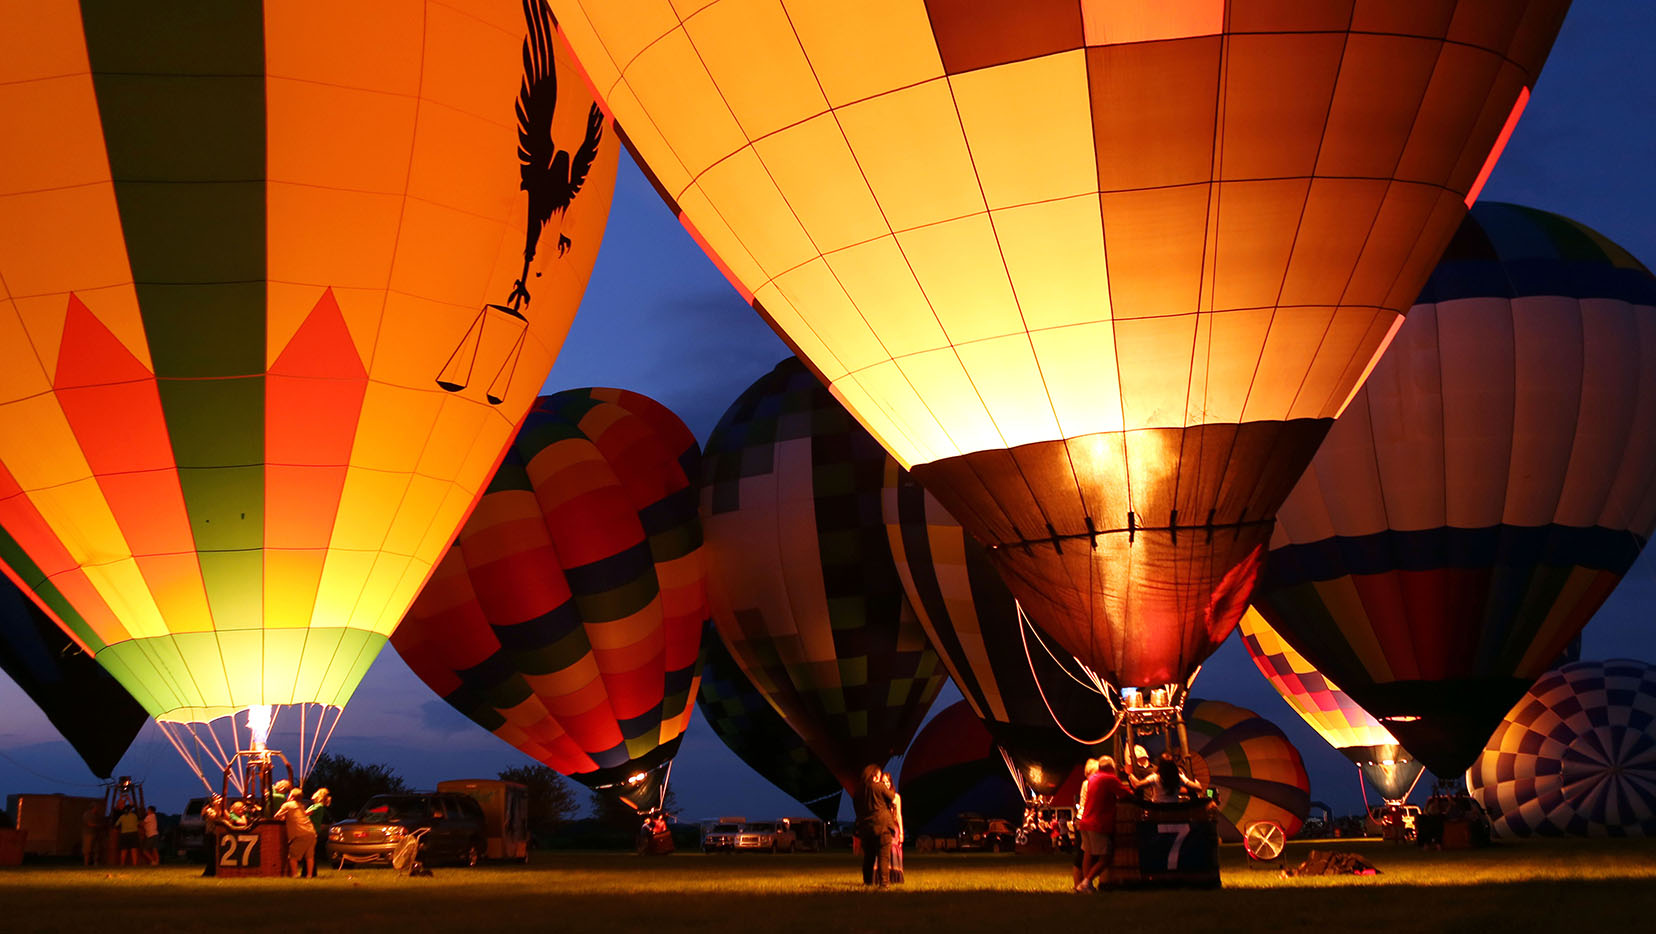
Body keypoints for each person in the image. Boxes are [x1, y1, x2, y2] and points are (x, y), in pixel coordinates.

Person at [1075, 756, 1133, 892]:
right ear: (1111, 768)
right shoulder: (1109, 779)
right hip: (1098, 823)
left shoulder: (1092, 779)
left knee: (1088, 853)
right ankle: (1086, 882)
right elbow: (1125, 794)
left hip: (1085, 822)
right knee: (1106, 857)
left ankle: (1085, 884)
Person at [853, 763, 896, 887]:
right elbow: (892, 797)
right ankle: (884, 883)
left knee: (869, 857)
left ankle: (867, 882)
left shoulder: (858, 792)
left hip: (866, 828)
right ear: (874, 776)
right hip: (883, 826)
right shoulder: (879, 787)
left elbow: (857, 810)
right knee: (883, 856)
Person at [275, 789, 316, 878]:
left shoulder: (287, 805)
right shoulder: (300, 806)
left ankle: (294, 875)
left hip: (300, 833)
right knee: (309, 856)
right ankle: (309, 875)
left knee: (293, 856)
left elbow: (276, 816)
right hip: (311, 831)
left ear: (291, 796)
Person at [1133, 753, 1204, 804]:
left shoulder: (1154, 778)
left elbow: (1137, 785)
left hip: (1158, 811)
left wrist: (1131, 776)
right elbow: (1199, 788)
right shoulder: (1179, 778)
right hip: (1173, 811)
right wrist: (1192, 780)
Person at [305, 788, 332, 877]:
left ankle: (311, 872)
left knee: (310, 853)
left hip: (312, 831)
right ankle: (309, 872)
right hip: (311, 830)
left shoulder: (318, 806)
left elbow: (306, 813)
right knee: (310, 853)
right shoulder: (316, 805)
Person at [200, 796, 226, 877]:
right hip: (210, 834)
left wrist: (219, 807)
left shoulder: (223, 810)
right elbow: (214, 817)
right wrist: (216, 806)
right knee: (210, 854)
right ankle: (209, 871)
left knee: (216, 854)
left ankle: (215, 871)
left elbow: (224, 817)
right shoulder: (209, 810)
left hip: (217, 835)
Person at [80, 803, 104, 867]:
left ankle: (95, 863)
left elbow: (99, 822)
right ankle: (86, 863)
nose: (97, 809)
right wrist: (97, 825)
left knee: (96, 848)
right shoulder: (87, 814)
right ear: (93, 808)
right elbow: (89, 823)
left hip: (95, 834)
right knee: (87, 849)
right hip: (88, 834)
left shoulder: (97, 815)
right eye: (96, 807)